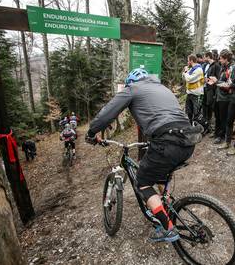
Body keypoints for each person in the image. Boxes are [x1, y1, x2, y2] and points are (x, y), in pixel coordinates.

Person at [85, 68, 200, 243]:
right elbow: (165, 115)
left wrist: (92, 133)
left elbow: (107, 113)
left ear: (131, 81)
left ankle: (167, 228)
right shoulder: (163, 88)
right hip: (188, 140)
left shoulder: (132, 89)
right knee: (161, 172)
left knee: (143, 182)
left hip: (166, 141)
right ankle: (165, 207)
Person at [207, 49, 233, 144]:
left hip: (225, 97)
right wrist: (213, 82)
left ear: (226, 59)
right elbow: (220, 81)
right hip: (218, 95)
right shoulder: (222, 67)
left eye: (221, 59)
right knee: (217, 115)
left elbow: (229, 84)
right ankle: (216, 132)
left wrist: (216, 81)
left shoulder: (231, 69)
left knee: (223, 117)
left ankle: (221, 135)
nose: (219, 60)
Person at [183, 54, 205, 124]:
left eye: (188, 61)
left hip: (196, 94)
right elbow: (184, 78)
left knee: (196, 113)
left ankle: (198, 128)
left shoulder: (198, 69)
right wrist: (185, 72)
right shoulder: (191, 68)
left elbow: (189, 79)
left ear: (191, 61)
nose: (187, 63)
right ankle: (190, 126)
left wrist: (185, 72)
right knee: (188, 112)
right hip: (189, 93)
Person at [202, 51, 221, 133]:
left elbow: (218, 79)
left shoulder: (216, 65)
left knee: (210, 107)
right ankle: (205, 124)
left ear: (208, 57)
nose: (203, 58)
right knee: (205, 106)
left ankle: (210, 126)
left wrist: (210, 81)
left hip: (212, 90)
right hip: (205, 88)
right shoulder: (207, 65)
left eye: (204, 56)